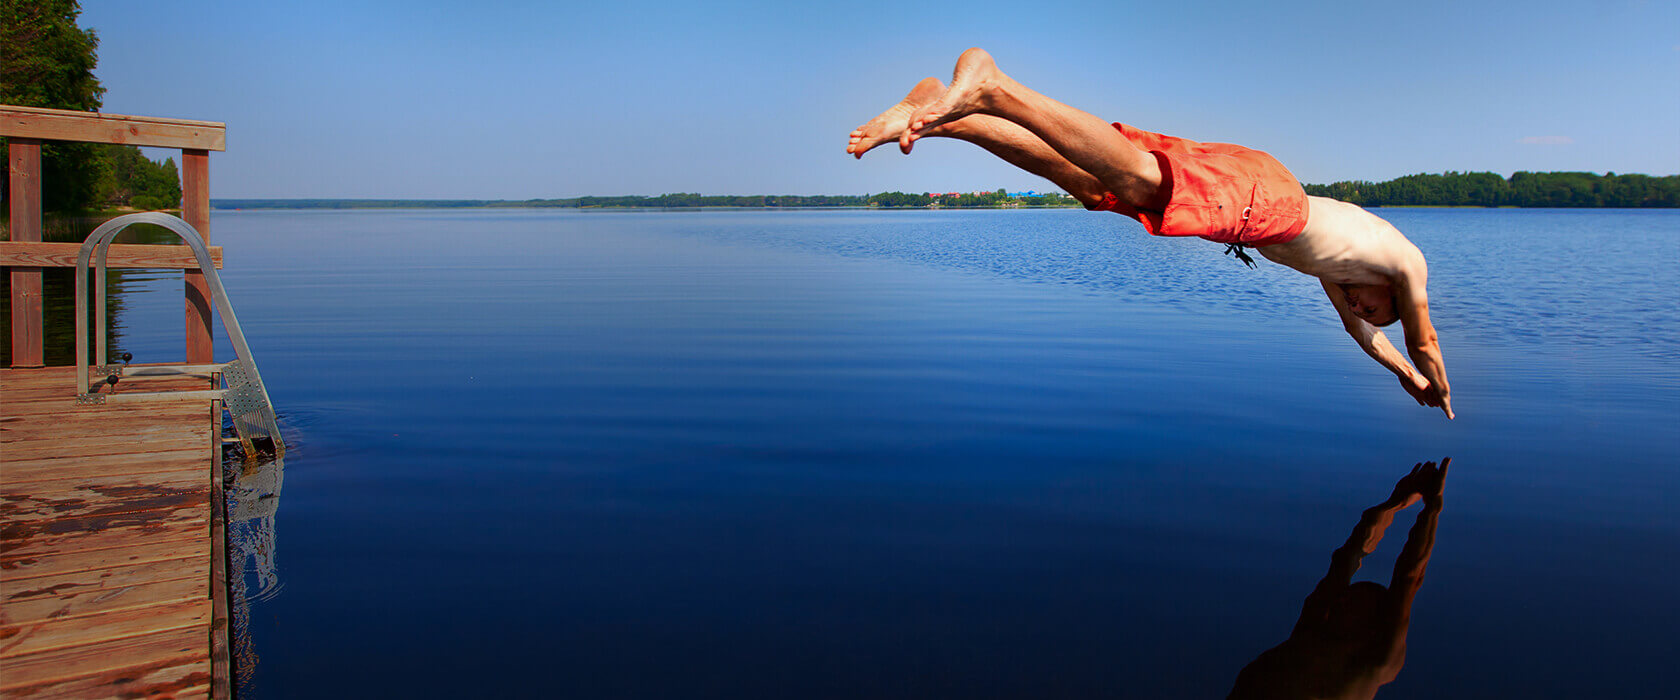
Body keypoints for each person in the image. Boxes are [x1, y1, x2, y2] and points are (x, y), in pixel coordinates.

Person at [847, 49, 1452, 418]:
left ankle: (948, 115)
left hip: (1260, 191)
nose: (1362, 309)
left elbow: (1362, 335)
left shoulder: (1340, 272)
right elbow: (1422, 340)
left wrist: (1400, 375)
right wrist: (1435, 387)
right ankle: (994, 87)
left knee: (1093, 188)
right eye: (1377, 308)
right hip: (1267, 202)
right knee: (1137, 181)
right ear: (1389, 293)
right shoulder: (1405, 265)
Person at [1227, 459, 1449, 698]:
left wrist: (1431, 507)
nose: (1340, 601)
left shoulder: (1372, 663)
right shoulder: (1319, 630)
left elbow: (1407, 577)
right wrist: (1396, 504)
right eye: (1347, 596)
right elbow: (1349, 558)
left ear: (1369, 624)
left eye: (1349, 600)